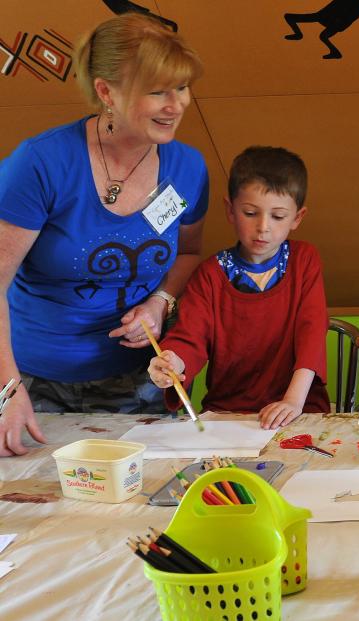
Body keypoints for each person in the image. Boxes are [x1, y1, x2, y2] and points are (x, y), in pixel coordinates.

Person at [0, 14, 208, 456]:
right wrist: (7, 391)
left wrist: (160, 302)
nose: (178, 104)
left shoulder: (189, 169)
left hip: (138, 387)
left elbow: (189, 253)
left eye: (183, 87)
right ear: (106, 92)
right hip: (35, 391)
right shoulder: (40, 164)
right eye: (158, 92)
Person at [147, 146, 330, 429]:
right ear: (230, 211)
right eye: (250, 212)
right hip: (228, 413)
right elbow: (189, 338)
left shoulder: (304, 261)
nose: (263, 227)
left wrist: (293, 401)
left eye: (278, 216)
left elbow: (312, 332)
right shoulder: (208, 275)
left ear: (297, 218)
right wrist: (172, 363)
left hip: (300, 408)